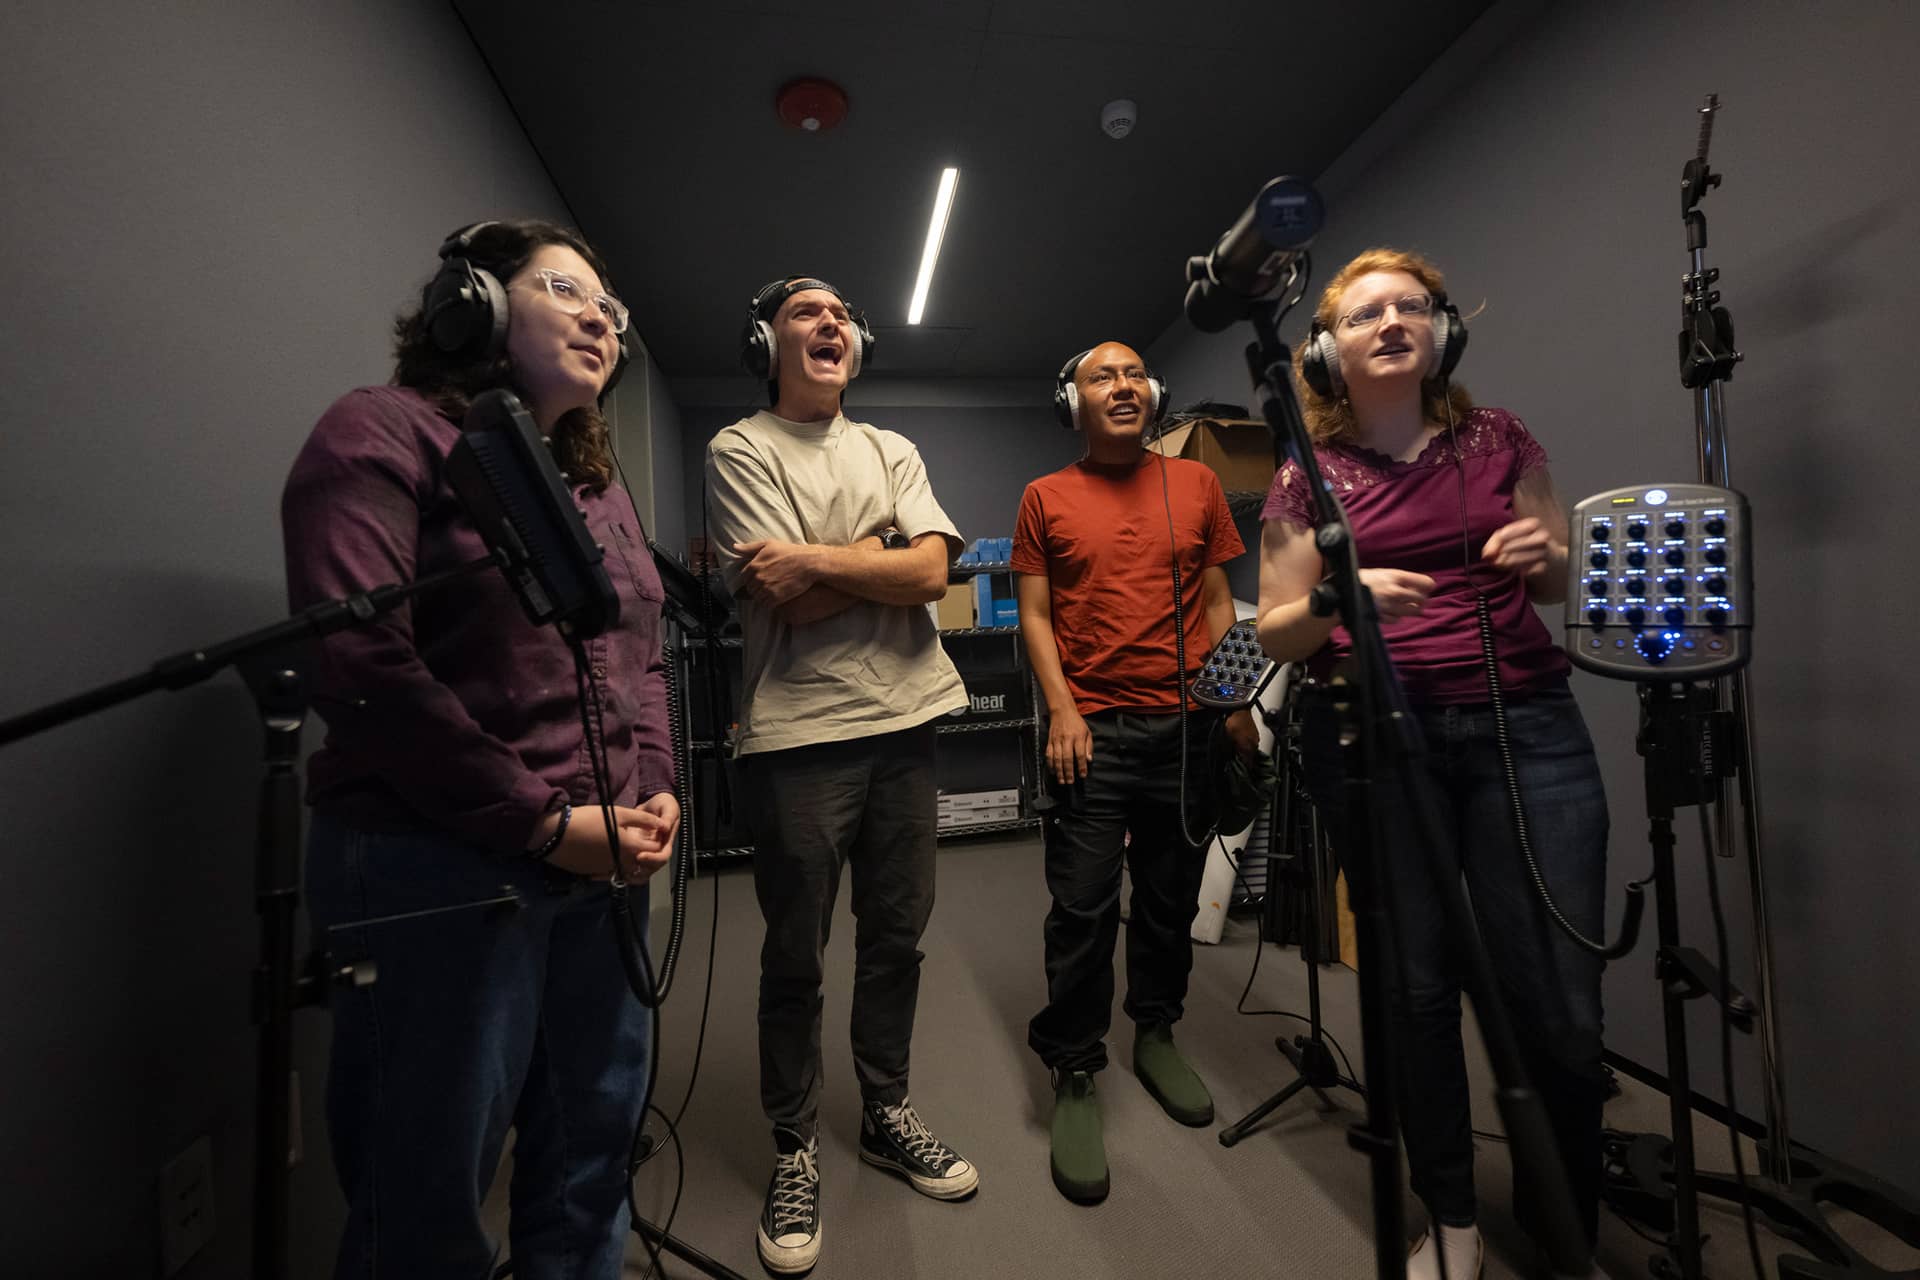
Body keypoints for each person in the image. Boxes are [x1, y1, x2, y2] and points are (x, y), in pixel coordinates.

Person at [282, 219, 678, 1279]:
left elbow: (641, 655)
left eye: (614, 310)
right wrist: (543, 823)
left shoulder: (596, 487)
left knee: (591, 1150)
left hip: (602, 866)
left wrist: (656, 787)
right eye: (567, 290)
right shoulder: (377, 433)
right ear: (478, 305)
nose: (601, 316)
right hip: (442, 869)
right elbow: (362, 660)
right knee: (426, 1191)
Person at [1255, 248, 1608, 1279]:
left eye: (1413, 305)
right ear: (1328, 350)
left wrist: (1549, 561)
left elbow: (1556, 582)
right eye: (1367, 312)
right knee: (1413, 992)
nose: (1393, 321)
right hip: (1378, 739)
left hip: (1525, 729)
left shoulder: (1502, 438)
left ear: (1444, 330)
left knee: (1559, 997)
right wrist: (1339, 602)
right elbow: (1278, 629)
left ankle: (1563, 1211)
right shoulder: (1303, 477)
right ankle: (1450, 1215)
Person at [704, 276, 979, 1276]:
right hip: (798, 736)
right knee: (797, 955)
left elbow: (934, 579)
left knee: (896, 940)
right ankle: (794, 1143)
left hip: (909, 725)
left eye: (840, 316)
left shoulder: (892, 449)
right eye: (803, 313)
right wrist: (883, 550)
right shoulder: (739, 448)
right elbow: (791, 600)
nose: (829, 324)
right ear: (764, 340)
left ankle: (886, 1110)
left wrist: (836, 562)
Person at [1013, 341, 1257, 1206]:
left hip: (1189, 729)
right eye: (1098, 376)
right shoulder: (1045, 497)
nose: (1120, 386)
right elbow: (1036, 617)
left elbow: (1222, 599)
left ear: (1152, 393)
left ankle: (1154, 1030)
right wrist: (1064, 710)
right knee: (1080, 907)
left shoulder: (1194, 486)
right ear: (1070, 400)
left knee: (1166, 897)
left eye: (1133, 374)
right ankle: (1076, 1068)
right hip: (1096, 733)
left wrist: (1233, 703)